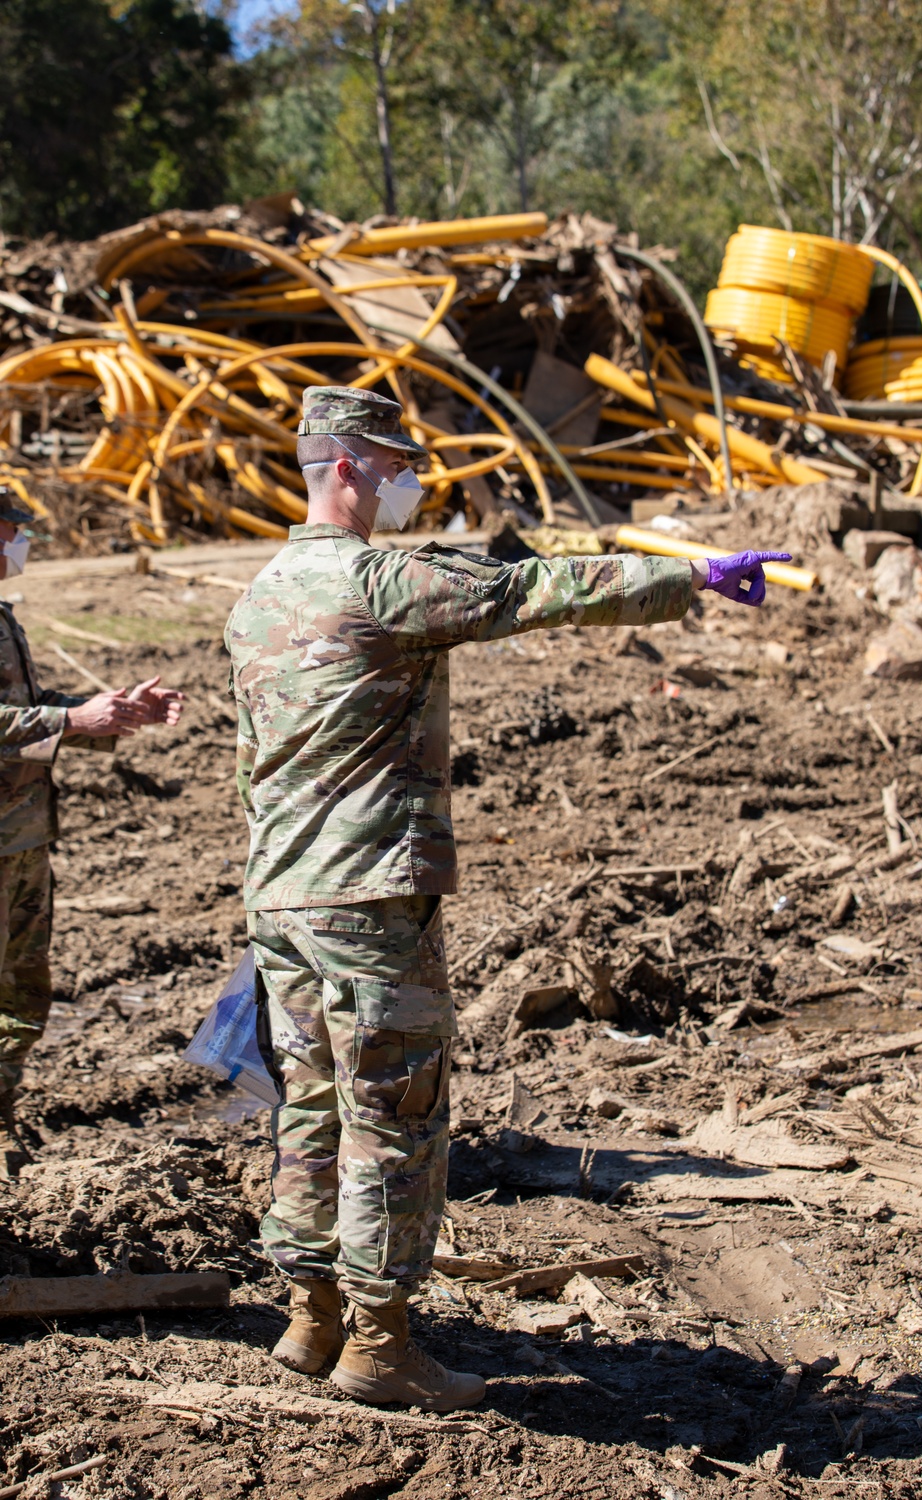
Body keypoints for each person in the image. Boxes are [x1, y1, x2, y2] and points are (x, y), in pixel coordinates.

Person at [225, 386, 790, 1412]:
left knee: (307, 1109)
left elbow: (253, 762)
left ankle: (308, 1319)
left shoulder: (257, 594)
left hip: (283, 900)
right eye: (396, 466)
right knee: (396, 1116)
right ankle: (380, 1346)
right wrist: (691, 574)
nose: (409, 484)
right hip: (368, 901)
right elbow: (538, 588)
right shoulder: (381, 580)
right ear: (345, 466)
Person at [0, 491, 185, 1175]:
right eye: (10, 527)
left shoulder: (2, 615)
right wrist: (72, 724)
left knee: (21, 999)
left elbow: (19, 711)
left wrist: (105, 712)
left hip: (20, 841)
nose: (21, 537)